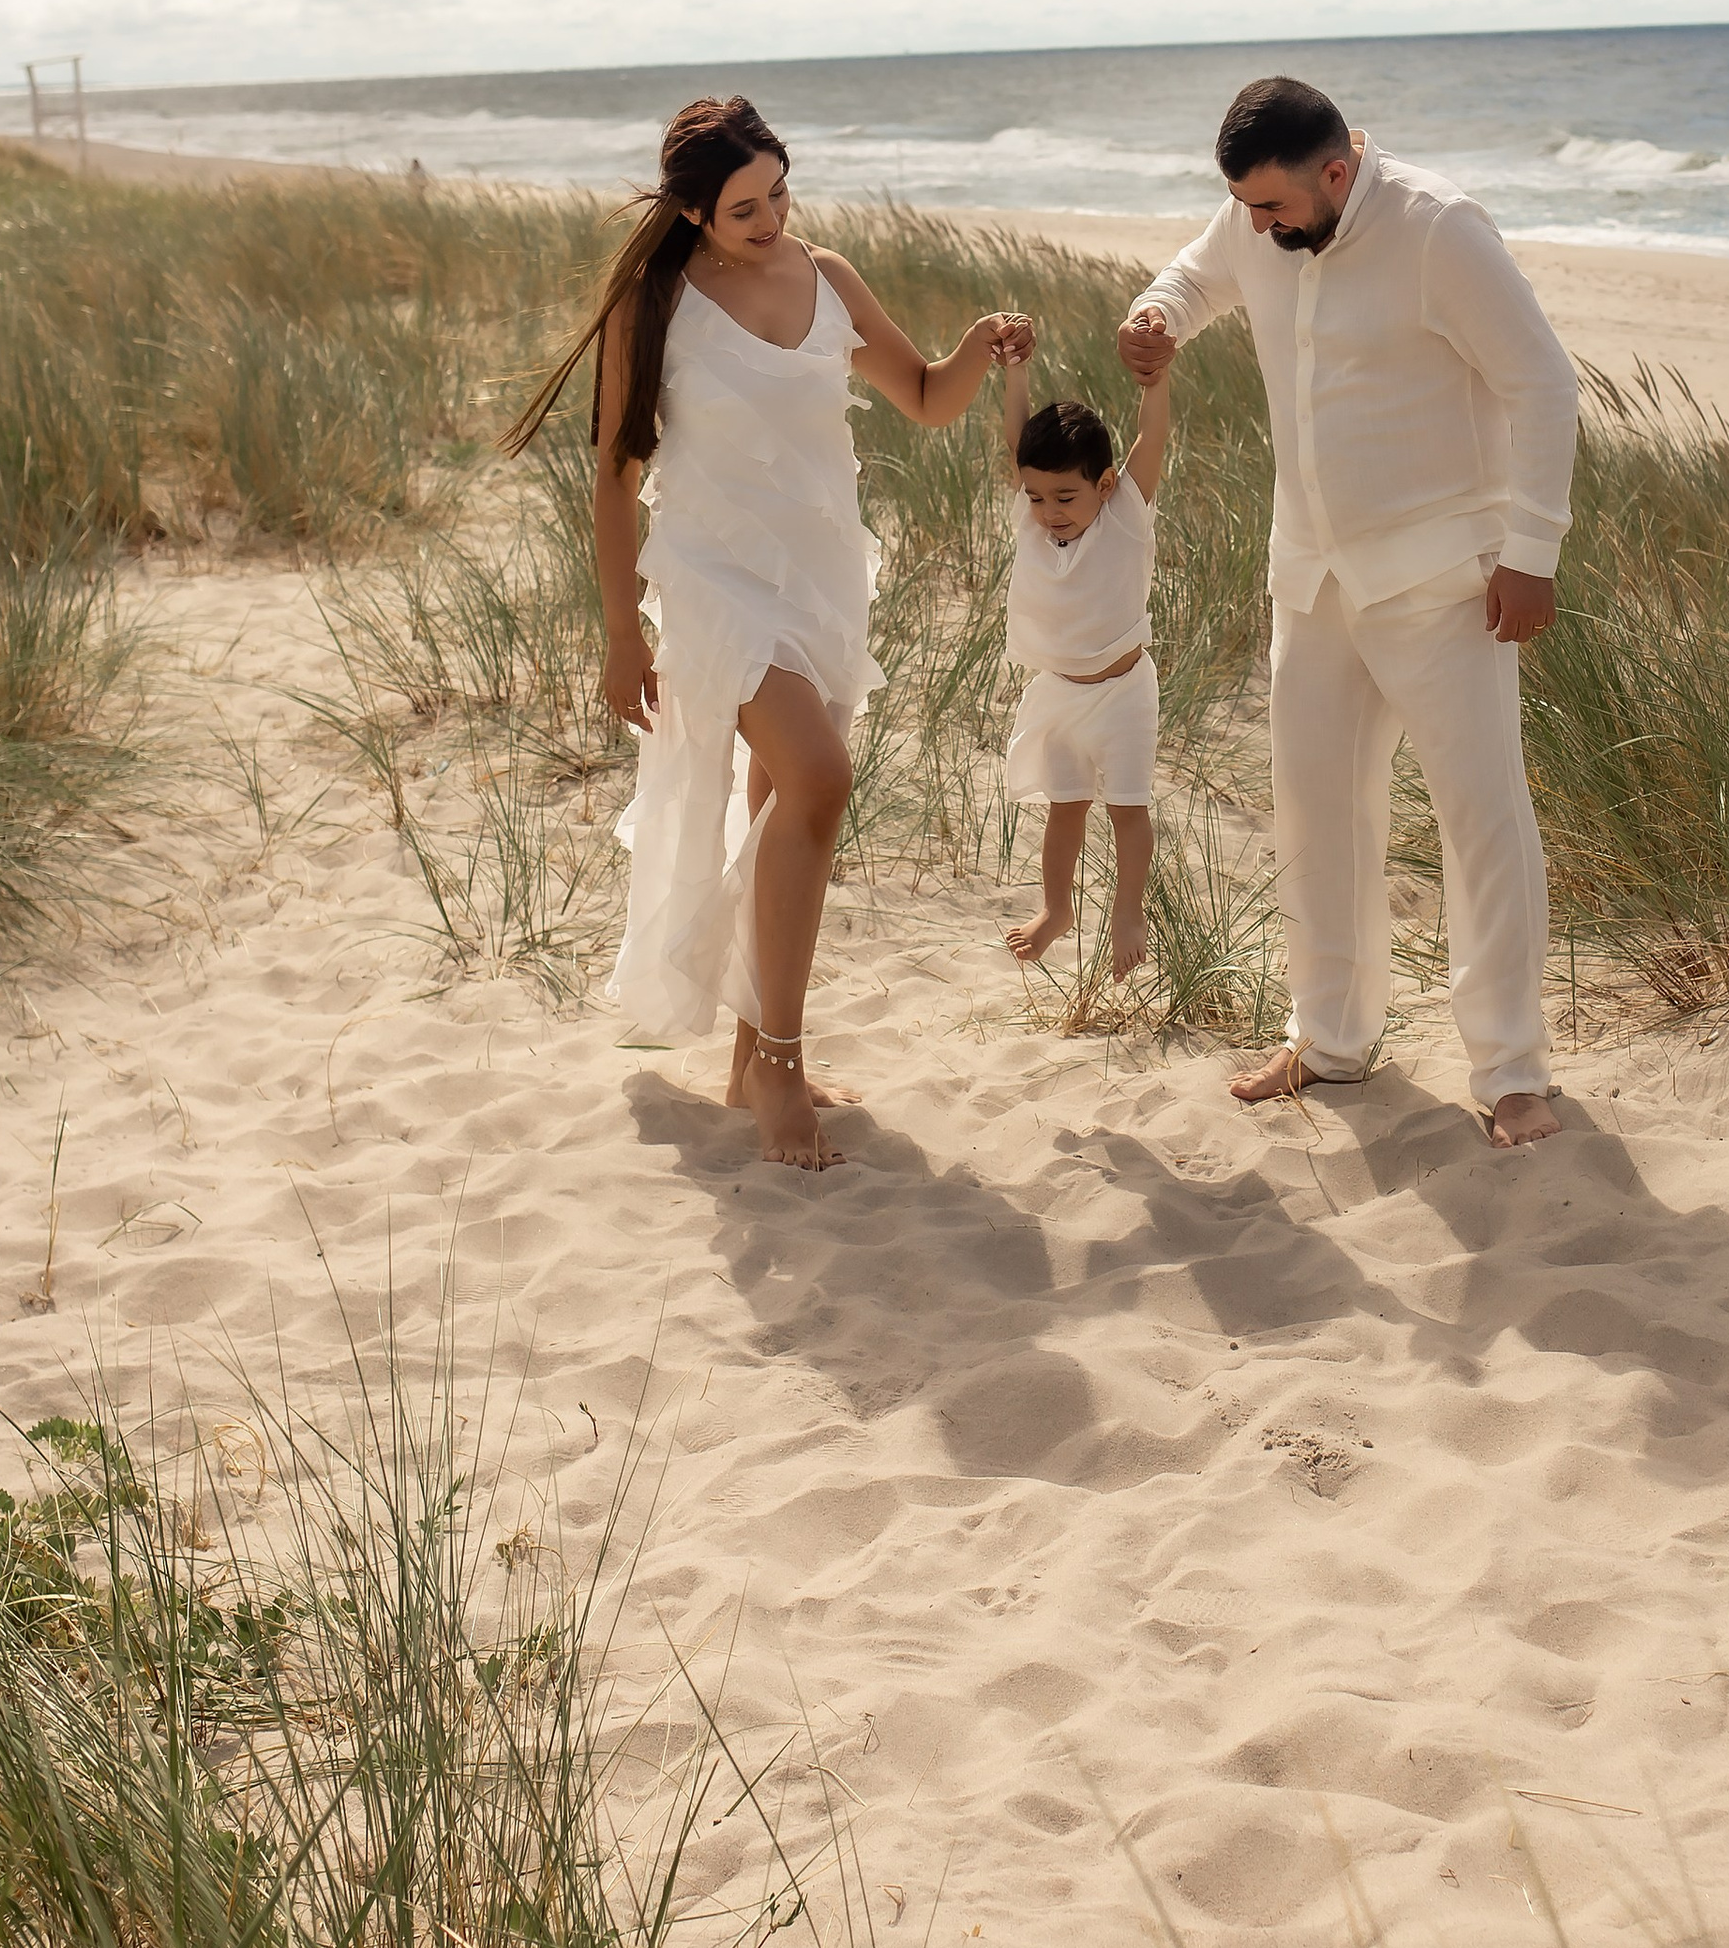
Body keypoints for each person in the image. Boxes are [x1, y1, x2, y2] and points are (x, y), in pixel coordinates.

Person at [508, 94, 1026, 1171]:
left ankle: (752, 1058)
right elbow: (615, 474)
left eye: (780, 194)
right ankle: (781, 1066)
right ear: (695, 212)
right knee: (821, 780)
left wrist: (979, 346)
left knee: (779, 808)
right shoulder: (657, 302)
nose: (772, 219)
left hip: (821, 577)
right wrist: (620, 635)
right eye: (745, 207)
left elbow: (926, 396)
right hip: (713, 581)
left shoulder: (828, 276)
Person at [1117, 76, 1579, 1149]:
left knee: (1481, 821)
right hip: (1313, 576)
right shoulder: (1257, 216)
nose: (1256, 226)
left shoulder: (1440, 230)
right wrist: (1157, 316)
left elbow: (1544, 385)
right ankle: (1328, 1039)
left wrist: (1532, 554)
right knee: (1316, 811)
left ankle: (1513, 1072)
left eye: (1273, 207)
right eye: (1245, 207)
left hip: (1443, 580)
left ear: (1336, 171)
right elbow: (1196, 274)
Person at [997, 350, 1170, 976]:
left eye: (1065, 497)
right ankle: (1056, 910)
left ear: (1104, 485)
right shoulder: (1035, 524)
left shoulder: (1123, 518)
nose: (1050, 511)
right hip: (1060, 695)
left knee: (1127, 809)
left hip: (1123, 694)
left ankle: (1128, 910)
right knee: (1065, 807)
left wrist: (1156, 380)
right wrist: (1016, 372)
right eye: (1037, 497)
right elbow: (1018, 441)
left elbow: (1153, 437)